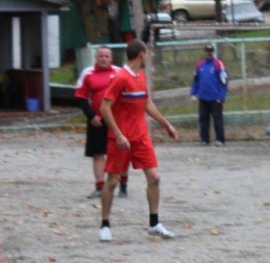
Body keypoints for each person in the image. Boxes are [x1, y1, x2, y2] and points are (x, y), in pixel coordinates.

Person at [98, 39, 179, 242]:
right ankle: (105, 224)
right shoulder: (120, 77)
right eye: (147, 53)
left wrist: (166, 124)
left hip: (141, 137)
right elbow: (104, 108)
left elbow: (147, 104)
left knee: (154, 177)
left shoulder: (141, 76)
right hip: (120, 139)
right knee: (113, 181)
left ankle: (154, 224)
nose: (148, 56)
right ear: (141, 54)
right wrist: (118, 134)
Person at [75, 46, 129, 198]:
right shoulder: (87, 73)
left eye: (107, 56)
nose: (104, 59)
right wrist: (91, 116)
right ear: (96, 58)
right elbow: (81, 96)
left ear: (111, 59)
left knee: (121, 151)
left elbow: (128, 94)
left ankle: (123, 184)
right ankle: (100, 186)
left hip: (117, 120)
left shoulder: (120, 73)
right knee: (98, 154)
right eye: (101, 56)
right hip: (97, 120)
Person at [190, 43, 229, 146]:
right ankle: (204, 139)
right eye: (207, 51)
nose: (208, 53)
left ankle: (220, 139)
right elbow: (196, 80)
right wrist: (193, 93)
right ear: (204, 52)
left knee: (217, 120)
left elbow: (224, 81)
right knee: (203, 119)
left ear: (213, 52)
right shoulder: (199, 65)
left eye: (210, 51)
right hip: (203, 98)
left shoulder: (218, 64)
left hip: (215, 98)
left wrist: (221, 96)